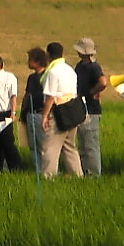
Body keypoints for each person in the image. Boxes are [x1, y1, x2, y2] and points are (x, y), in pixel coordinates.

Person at [39, 42, 83, 179]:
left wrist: (45, 116)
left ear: (48, 55)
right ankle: (77, 175)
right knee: (69, 146)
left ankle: (48, 176)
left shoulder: (53, 71)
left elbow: (50, 96)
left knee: (50, 146)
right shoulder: (70, 69)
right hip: (72, 110)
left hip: (58, 112)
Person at [72, 37, 108, 176]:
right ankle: (84, 170)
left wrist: (92, 92)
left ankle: (94, 173)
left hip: (91, 110)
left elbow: (103, 82)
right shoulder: (80, 65)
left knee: (90, 144)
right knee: (82, 143)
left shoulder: (94, 67)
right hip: (81, 108)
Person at [18, 47, 48, 168]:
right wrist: (23, 113)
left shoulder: (46, 76)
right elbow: (27, 95)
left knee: (43, 144)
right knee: (33, 144)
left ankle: (47, 169)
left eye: (30, 59)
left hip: (41, 114)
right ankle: (38, 168)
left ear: (37, 61)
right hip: (30, 113)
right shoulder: (31, 78)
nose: (28, 62)